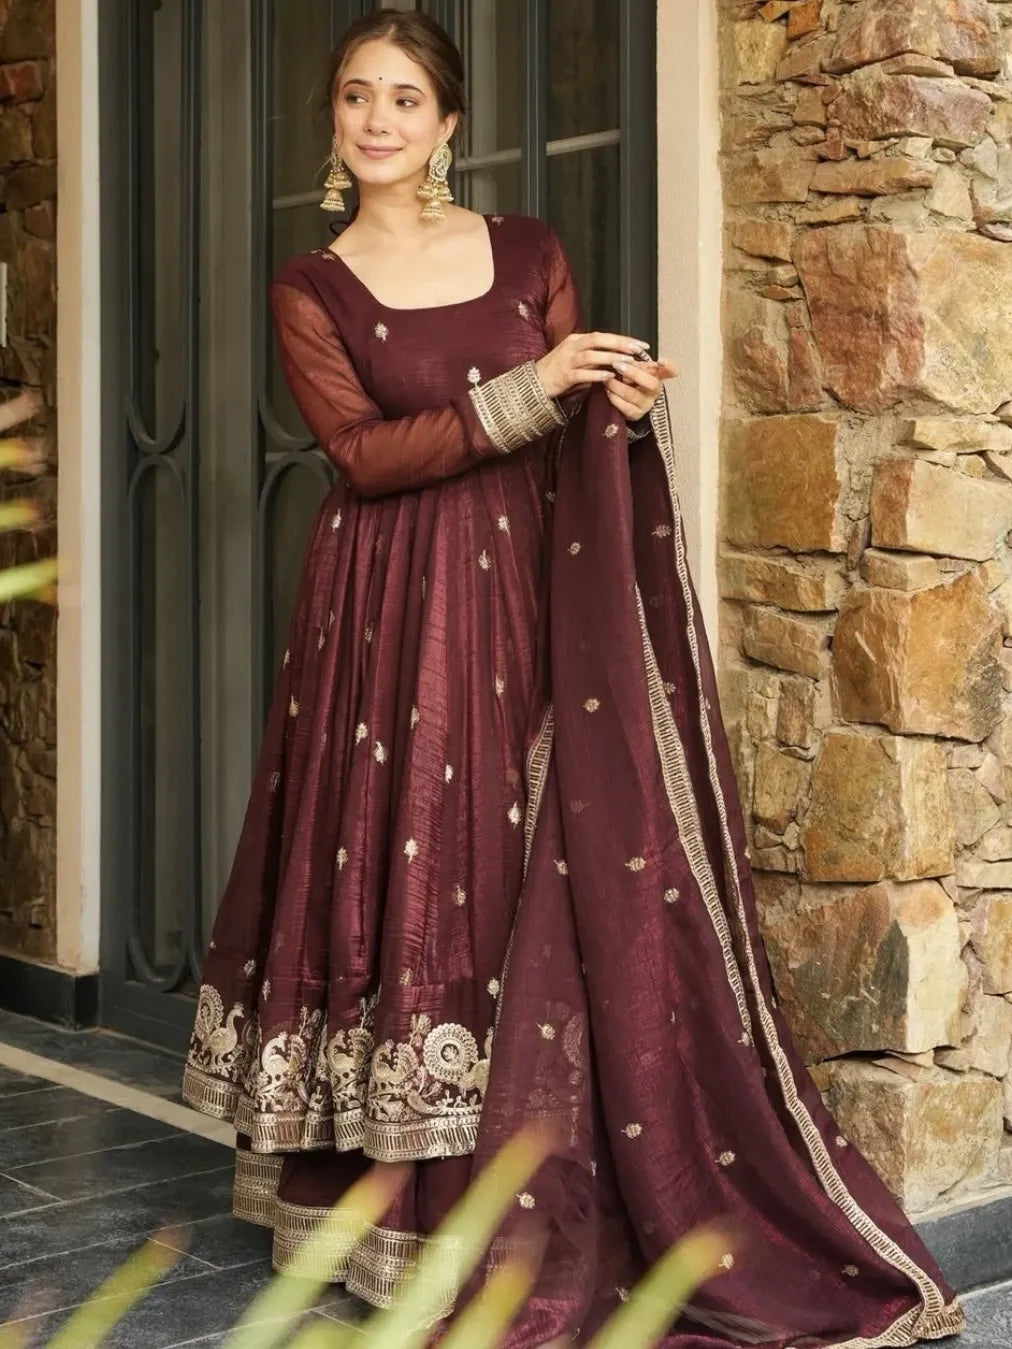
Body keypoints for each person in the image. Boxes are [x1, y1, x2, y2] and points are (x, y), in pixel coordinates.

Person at [182, 10, 965, 1347]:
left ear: (449, 127)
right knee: (401, 866)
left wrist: (616, 400)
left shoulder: (527, 251)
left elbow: (565, 423)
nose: (379, 119)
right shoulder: (310, 286)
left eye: (407, 100)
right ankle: (384, 1203)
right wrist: (540, 379)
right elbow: (365, 458)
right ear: (335, 122)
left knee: (517, 867)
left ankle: (533, 1193)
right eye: (358, 97)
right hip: (380, 619)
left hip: (524, 602)